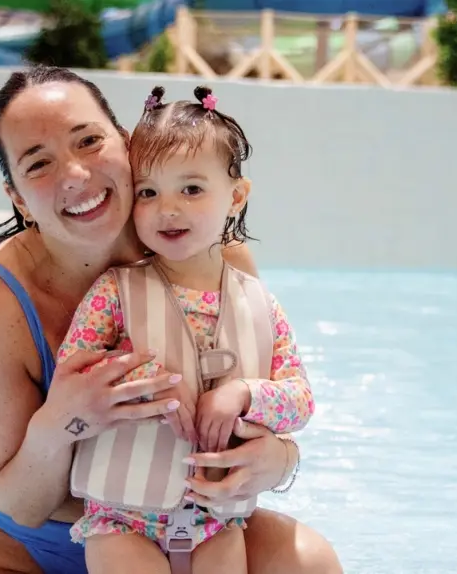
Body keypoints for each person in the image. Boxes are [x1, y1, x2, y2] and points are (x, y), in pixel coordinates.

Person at [0, 64, 342, 574]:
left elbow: (275, 392)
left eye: (88, 141)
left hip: (188, 521)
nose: (76, 174)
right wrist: (63, 419)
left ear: (123, 141)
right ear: (16, 196)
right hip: (19, 544)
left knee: (312, 564)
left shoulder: (211, 255)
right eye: (38, 164)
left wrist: (279, 460)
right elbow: (22, 504)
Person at [58, 85, 316, 574]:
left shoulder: (261, 304)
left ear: (236, 196)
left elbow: (300, 398)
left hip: (217, 521)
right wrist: (148, 382)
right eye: (148, 192)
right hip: (122, 518)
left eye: (191, 189)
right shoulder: (115, 291)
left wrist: (245, 393)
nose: (167, 208)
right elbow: (73, 367)